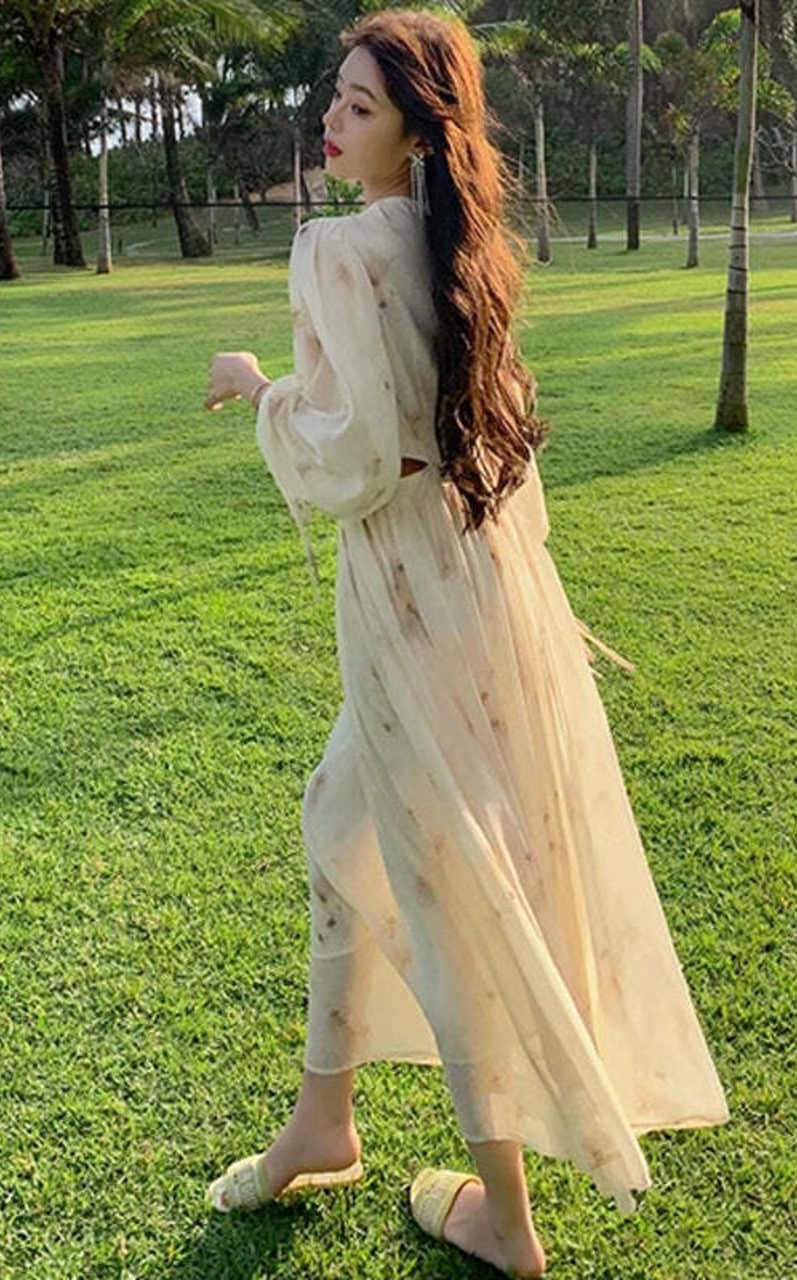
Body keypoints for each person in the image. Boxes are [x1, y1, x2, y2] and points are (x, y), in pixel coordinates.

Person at [204, 10, 728, 1275]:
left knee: (445, 876)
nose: (331, 121)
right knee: (342, 820)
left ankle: (505, 1214)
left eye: (359, 106)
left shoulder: (339, 249)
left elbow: (355, 449)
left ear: (414, 135)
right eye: (334, 98)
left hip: (406, 591)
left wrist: (257, 387)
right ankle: (323, 1116)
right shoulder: (462, 250)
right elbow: (469, 430)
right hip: (482, 577)